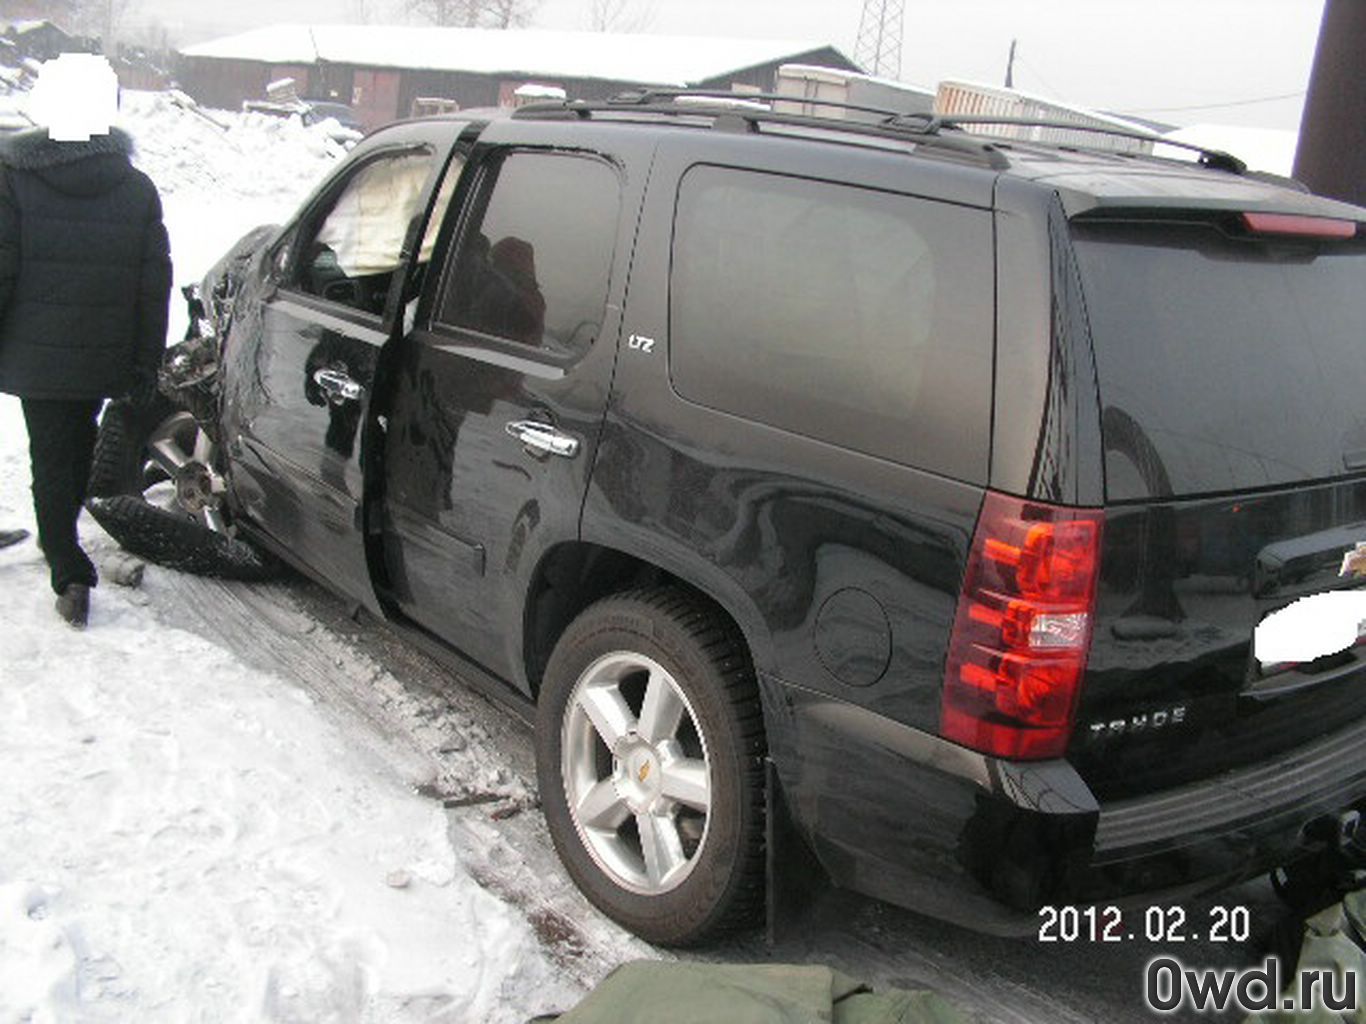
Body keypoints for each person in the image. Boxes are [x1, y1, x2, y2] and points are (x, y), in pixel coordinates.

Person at [0, 54, 171, 627]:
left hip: (34, 352)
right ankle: (63, 544)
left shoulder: (14, 180)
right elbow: (154, 288)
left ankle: (68, 567)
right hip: (102, 355)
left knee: (54, 452)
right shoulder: (138, 189)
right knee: (73, 447)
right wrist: (145, 362)